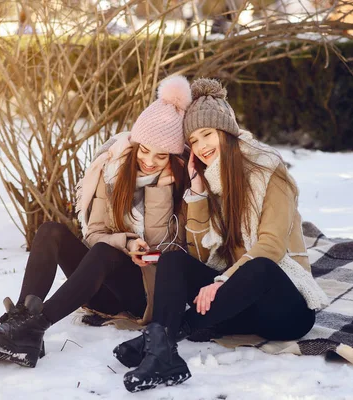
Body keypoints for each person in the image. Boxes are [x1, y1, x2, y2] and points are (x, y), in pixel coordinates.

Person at [114, 78, 329, 392]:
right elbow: (200, 256)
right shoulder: (209, 182)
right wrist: (198, 196)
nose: (200, 147)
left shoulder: (271, 173)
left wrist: (222, 281)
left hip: (285, 310)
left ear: (226, 132)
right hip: (237, 306)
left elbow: (271, 245)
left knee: (260, 267)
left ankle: (163, 338)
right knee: (175, 261)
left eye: (206, 134)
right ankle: (162, 352)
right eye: (194, 140)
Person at [0, 75, 193, 368]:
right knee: (51, 231)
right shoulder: (113, 172)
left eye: (161, 155)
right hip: (103, 287)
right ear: (135, 143)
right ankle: (20, 322)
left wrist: (157, 200)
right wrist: (127, 243)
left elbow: (183, 250)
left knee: (105, 252)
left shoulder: (183, 185)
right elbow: (95, 234)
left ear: (174, 156)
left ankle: (33, 329)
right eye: (144, 150)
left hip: (146, 294)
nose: (150, 161)